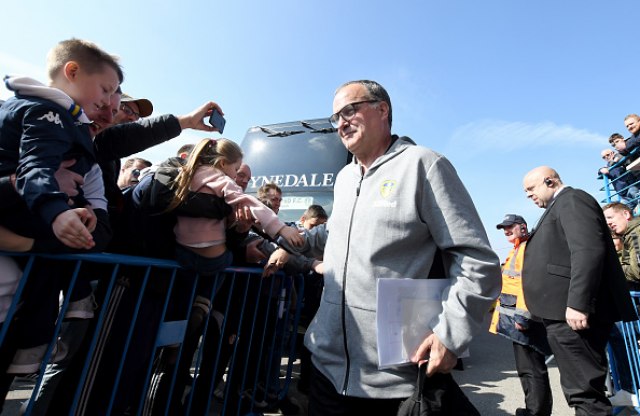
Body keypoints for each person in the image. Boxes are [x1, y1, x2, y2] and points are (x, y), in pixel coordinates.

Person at [304, 79, 501, 415]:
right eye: (335, 117)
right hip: (326, 369)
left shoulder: (424, 164)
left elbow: (476, 259)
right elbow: (332, 234)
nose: (340, 123)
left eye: (349, 110)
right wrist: (280, 238)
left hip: (398, 380)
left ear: (382, 110)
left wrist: (450, 335)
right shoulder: (344, 178)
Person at [521, 166, 637, 415]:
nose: (528, 195)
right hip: (562, 315)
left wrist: (578, 303)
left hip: (572, 314)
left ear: (550, 181)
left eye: (531, 188)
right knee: (580, 390)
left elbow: (587, 251)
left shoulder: (573, 200)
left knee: (584, 393)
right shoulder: (559, 205)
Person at [489, 214, 552, 416]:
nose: (506, 231)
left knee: (531, 370)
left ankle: (536, 412)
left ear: (523, 227)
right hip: (518, 321)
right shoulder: (519, 248)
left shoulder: (526, 249)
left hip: (524, 322)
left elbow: (528, 285)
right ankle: (535, 409)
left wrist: (523, 317)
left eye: (510, 226)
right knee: (530, 369)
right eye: (504, 228)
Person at [599, 144, 640, 210]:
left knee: (637, 198)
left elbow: (623, 158)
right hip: (622, 194)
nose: (606, 157)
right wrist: (601, 170)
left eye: (607, 155)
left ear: (612, 153)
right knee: (624, 210)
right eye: (604, 157)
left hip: (631, 186)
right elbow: (601, 172)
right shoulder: (608, 167)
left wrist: (614, 161)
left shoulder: (619, 157)